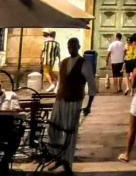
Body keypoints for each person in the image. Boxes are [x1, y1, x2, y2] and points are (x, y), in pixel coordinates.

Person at [51, 37, 87, 174]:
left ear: (78, 47)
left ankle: (68, 163)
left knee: (69, 133)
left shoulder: (84, 64)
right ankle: (58, 156)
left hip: (74, 100)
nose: (71, 48)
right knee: (52, 129)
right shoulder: (63, 63)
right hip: (60, 99)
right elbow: (61, 82)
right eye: (69, 46)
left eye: (73, 46)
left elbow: (92, 84)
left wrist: (88, 105)